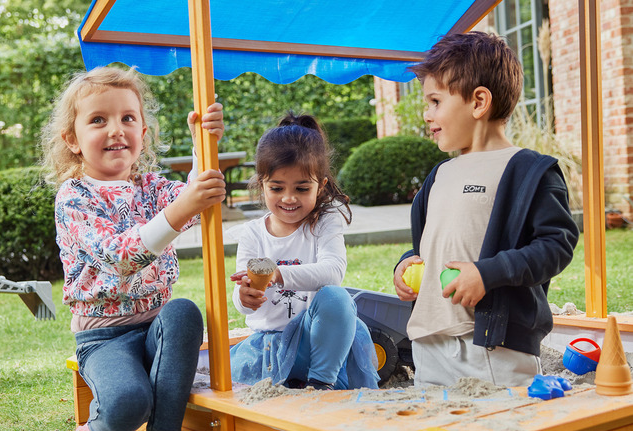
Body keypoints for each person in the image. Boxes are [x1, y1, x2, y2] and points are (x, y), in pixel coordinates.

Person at [39, 66, 226, 431]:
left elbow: (194, 203)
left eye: (127, 118)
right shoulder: (75, 197)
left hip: (157, 326)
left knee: (183, 312)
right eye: (98, 120)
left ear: (142, 130)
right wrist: (184, 206)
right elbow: (122, 256)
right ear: (72, 138)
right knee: (128, 401)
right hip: (104, 336)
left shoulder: (149, 185)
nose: (116, 130)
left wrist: (205, 143)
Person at [393, 32, 579, 388]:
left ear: (479, 102)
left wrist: (486, 274)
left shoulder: (529, 170)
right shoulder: (439, 175)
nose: (425, 113)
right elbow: (432, 244)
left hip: (492, 347)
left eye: (435, 101)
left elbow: (556, 245)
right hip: (428, 343)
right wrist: (407, 262)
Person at [229, 113, 380, 390]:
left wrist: (278, 273)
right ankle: (301, 380)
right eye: (277, 188)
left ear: (320, 186)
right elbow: (243, 299)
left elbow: (333, 272)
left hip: (318, 344)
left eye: (302, 188)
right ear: (262, 184)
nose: (289, 198)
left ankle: (321, 385)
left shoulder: (325, 221)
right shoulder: (253, 232)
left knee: (336, 297)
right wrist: (244, 297)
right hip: (271, 348)